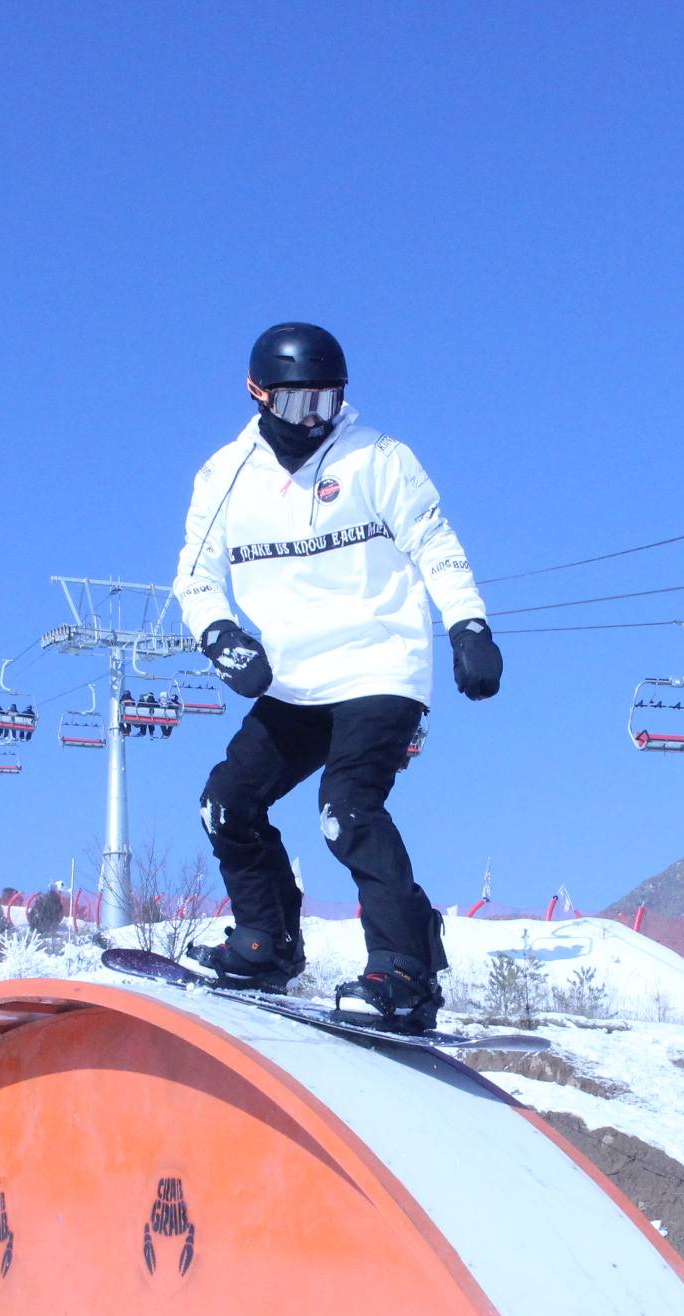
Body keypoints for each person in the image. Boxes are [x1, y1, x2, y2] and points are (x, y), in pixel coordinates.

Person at [174, 321, 501, 1030]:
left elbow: (435, 545)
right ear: (259, 397)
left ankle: (404, 970)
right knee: (226, 801)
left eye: (328, 402)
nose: (314, 420)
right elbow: (193, 579)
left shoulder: (379, 459)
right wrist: (220, 635)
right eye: (297, 407)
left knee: (345, 809)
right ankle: (267, 941)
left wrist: (468, 626)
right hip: (292, 679)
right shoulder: (224, 476)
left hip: (380, 662)